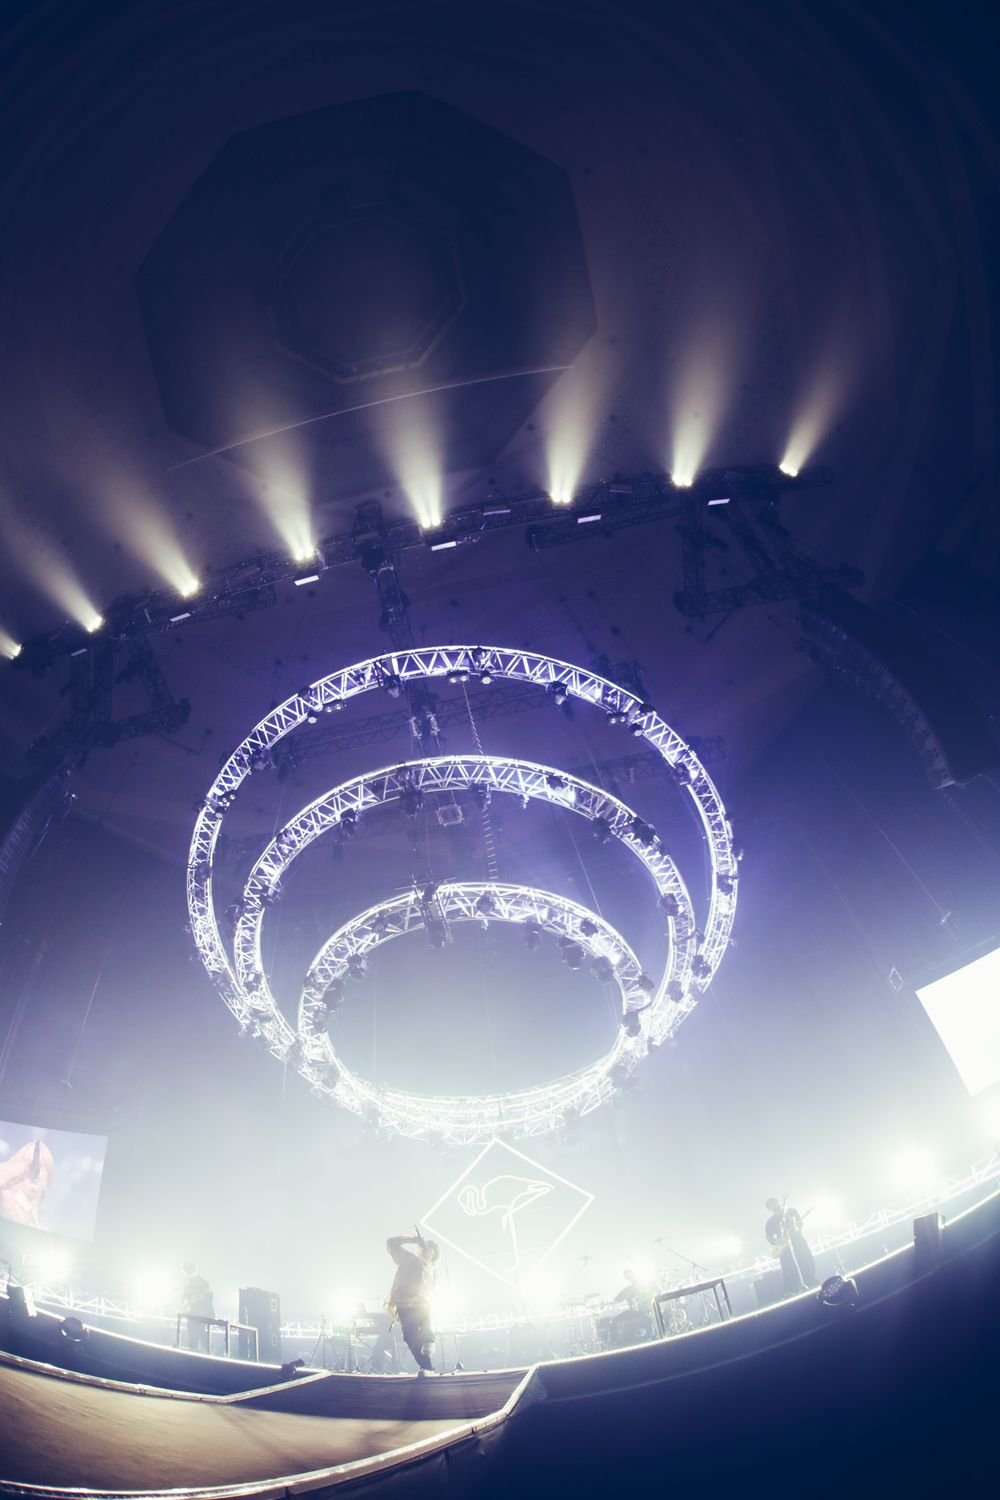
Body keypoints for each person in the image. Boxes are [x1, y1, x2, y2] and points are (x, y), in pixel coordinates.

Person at [385, 1230, 440, 1374]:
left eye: (430, 1248)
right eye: (425, 1246)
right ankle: (427, 1366)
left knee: (424, 1330)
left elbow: (431, 1291)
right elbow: (391, 1243)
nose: (426, 1249)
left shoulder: (433, 1271)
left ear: (434, 1254)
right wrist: (413, 1239)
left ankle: (428, 1342)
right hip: (405, 1306)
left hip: (422, 1305)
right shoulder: (410, 1259)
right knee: (410, 1336)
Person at [764, 1198, 817, 1295]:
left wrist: (797, 1227)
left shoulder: (791, 1211)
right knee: (789, 1268)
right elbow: (769, 1237)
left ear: (778, 1202)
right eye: (771, 1205)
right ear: (769, 1209)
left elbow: (800, 1225)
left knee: (806, 1261)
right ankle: (792, 1291)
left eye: (775, 1203)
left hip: (798, 1242)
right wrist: (776, 1241)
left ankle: (812, 1283)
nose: (774, 1206)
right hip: (785, 1248)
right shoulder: (770, 1222)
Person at [0, 1140, 54, 1229]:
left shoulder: (43, 1227)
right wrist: (21, 1167)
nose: (35, 1171)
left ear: (47, 1180)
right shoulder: (6, 1202)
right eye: (31, 1164)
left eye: (40, 1166)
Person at [179, 1261, 214, 1352]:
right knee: (195, 1334)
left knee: (198, 1334)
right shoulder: (189, 1282)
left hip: (199, 1314)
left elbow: (208, 1298)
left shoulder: (202, 1282)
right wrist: (186, 1303)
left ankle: (207, 1351)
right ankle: (203, 1351)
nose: (187, 1273)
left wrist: (191, 1302)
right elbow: (185, 1296)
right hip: (193, 1313)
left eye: (187, 1270)